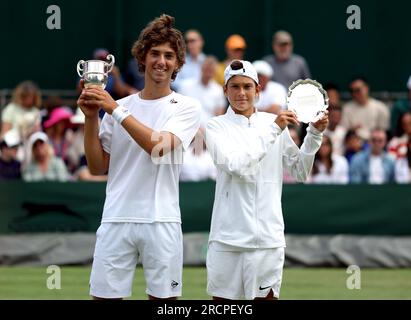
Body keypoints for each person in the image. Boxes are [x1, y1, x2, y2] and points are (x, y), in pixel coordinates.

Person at [77, 14, 201, 300]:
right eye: (155, 53)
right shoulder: (116, 107)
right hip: (115, 218)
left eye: (169, 56)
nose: (161, 61)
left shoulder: (186, 106)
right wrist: (92, 118)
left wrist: (114, 110)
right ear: (142, 58)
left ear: (178, 64)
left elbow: (158, 146)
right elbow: (97, 167)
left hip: (162, 221)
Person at [205, 60, 328, 300]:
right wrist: (274, 129)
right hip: (227, 239)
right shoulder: (215, 126)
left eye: (247, 87)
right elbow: (236, 165)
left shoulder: (273, 123)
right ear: (225, 91)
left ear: (257, 90)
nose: (241, 93)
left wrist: (314, 133)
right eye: (235, 86)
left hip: (268, 241)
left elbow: (300, 172)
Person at [179, 56, 226, 129]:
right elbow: (179, 111)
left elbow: (219, 118)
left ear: (214, 72)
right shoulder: (185, 86)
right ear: (201, 68)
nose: (208, 73)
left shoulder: (218, 90)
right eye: (206, 69)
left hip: (209, 131)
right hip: (186, 127)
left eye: (211, 70)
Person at [341, 77, 390, 141]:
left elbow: (384, 131)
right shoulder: (347, 108)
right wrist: (352, 130)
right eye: (352, 91)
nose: (355, 93)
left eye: (358, 90)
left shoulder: (380, 108)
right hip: (354, 144)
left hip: (375, 143)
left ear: (367, 88)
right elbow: (343, 131)